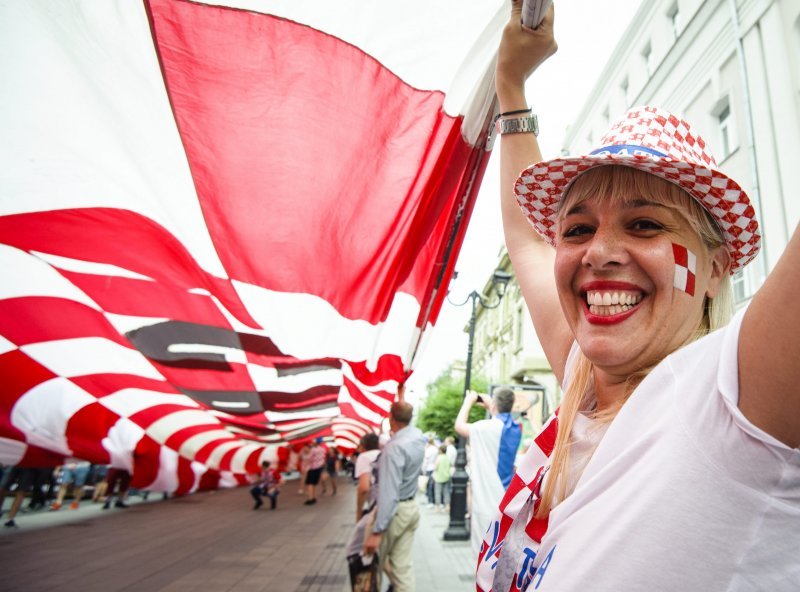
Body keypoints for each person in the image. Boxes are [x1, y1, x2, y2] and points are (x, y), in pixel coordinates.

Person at [476, 3, 800, 591]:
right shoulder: (580, 372)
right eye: (577, 230)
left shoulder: (735, 403)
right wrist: (511, 82)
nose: (597, 252)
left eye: (645, 225)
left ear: (715, 268)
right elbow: (525, 236)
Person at [363, 401, 425, 592]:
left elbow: (389, 493)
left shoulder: (394, 448)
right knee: (402, 569)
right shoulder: (417, 438)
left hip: (394, 512)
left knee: (371, 568)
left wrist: (377, 532)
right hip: (410, 508)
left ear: (391, 419)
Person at [455, 387, 522, 554]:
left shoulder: (484, 428)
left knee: (482, 554)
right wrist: (491, 406)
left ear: (494, 404)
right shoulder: (516, 429)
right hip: (506, 499)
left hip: (485, 503)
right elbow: (501, 423)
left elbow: (459, 426)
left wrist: (468, 401)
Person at [354, 432, 381, 522]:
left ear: (363, 446)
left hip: (377, 506)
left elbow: (364, 488)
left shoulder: (364, 457)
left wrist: (358, 512)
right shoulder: (384, 454)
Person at [303, 438, 326, 505]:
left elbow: (310, 458)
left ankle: (310, 498)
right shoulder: (322, 449)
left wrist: (305, 467)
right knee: (314, 484)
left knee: (310, 483)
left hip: (312, 468)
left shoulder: (313, 450)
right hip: (319, 468)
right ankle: (313, 497)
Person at [431, 444, 452, 512]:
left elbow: (435, 467)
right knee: (446, 492)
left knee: (438, 492)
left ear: (440, 450)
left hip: (439, 477)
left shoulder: (439, 457)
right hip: (446, 476)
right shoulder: (447, 457)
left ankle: (437, 507)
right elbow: (450, 465)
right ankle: (447, 506)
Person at [422, 436, 438, 506]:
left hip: (429, 468)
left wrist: (423, 470)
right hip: (435, 468)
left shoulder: (428, 450)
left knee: (428, 485)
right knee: (433, 485)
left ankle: (430, 501)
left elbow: (425, 460)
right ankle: (433, 500)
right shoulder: (436, 449)